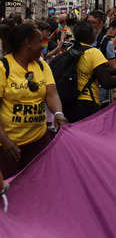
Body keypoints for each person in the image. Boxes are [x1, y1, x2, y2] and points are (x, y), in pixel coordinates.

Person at [0, 23, 66, 178]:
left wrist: (58, 113)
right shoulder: (4, 68)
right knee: (10, 189)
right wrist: (5, 141)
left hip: (38, 141)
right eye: (40, 42)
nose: (43, 47)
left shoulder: (42, 66)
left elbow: (51, 94)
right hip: (8, 146)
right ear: (27, 43)